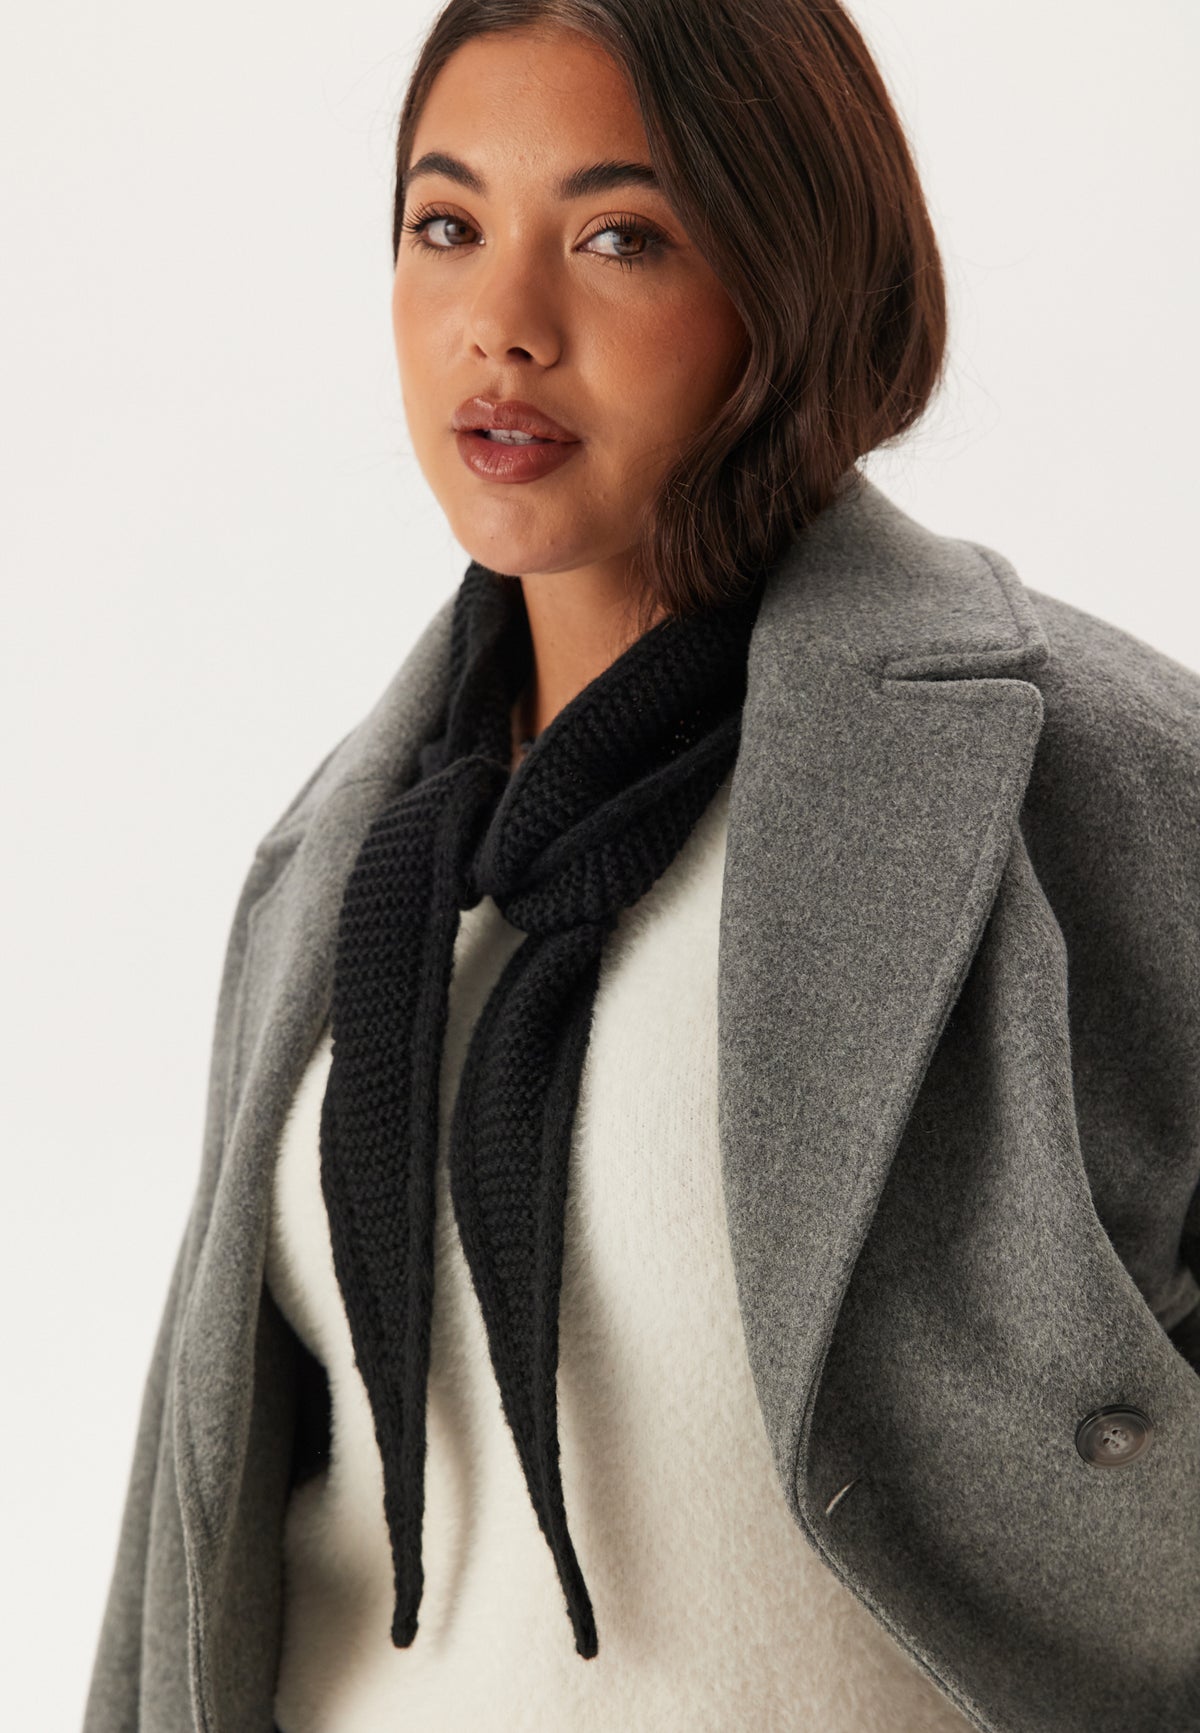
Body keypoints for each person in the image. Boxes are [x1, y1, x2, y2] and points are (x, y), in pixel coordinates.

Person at [83, 3, 1200, 1731]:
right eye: (446, 225)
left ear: (790, 280)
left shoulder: (1073, 770)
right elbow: (195, 1533)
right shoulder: (347, 862)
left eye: (619, 238)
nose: (503, 325)